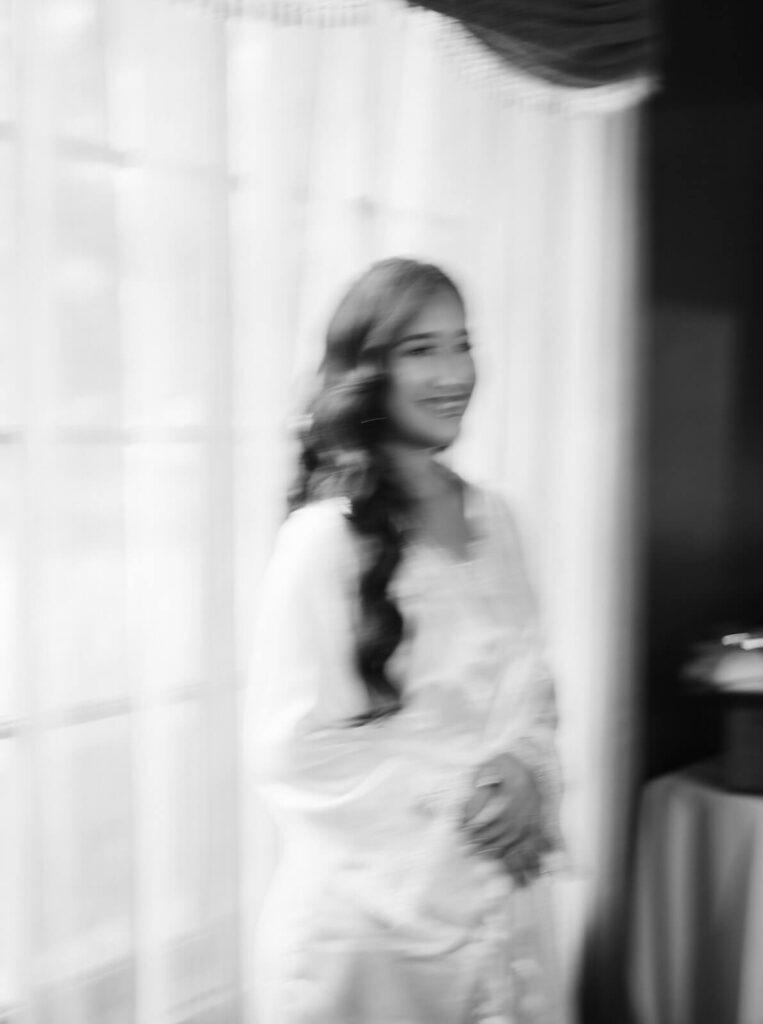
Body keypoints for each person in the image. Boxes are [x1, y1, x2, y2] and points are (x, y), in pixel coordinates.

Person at [247, 258, 565, 1024]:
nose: (455, 372)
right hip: (367, 947)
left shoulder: (499, 520)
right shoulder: (321, 541)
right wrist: (472, 800)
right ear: (368, 371)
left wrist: (526, 771)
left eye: (462, 343)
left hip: (497, 918)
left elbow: (531, 696)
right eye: (422, 349)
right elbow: (294, 753)